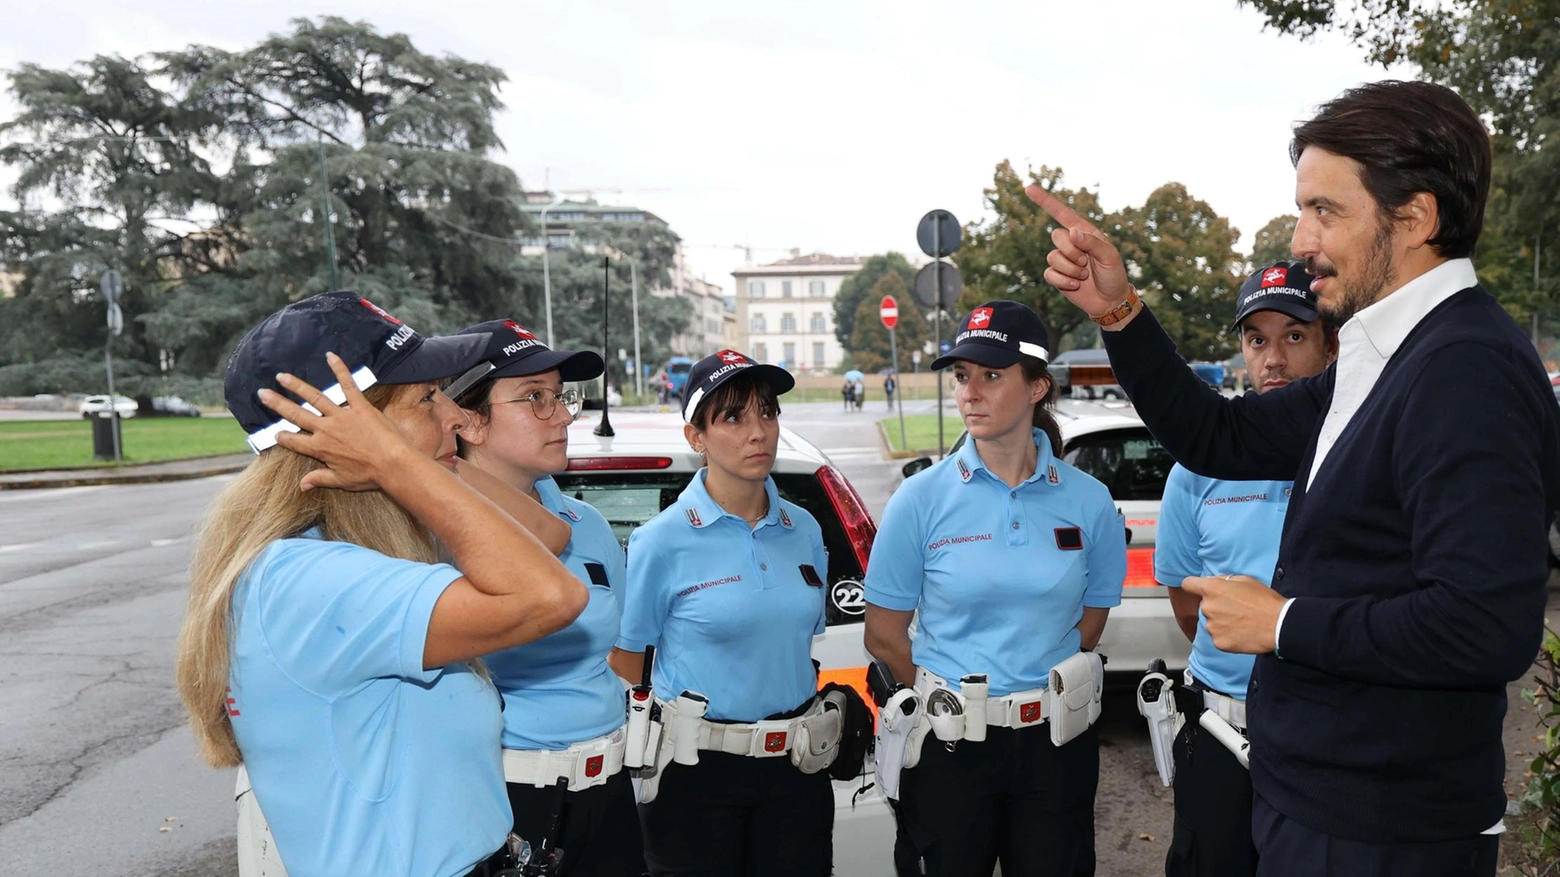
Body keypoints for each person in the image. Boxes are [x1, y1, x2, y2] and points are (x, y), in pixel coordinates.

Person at [1029, 79, 1560, 876]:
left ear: (1415, 217)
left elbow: (1486, 626)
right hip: (1321, 804)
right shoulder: (1387, 357)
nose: (1300, 238)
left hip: (1385, 828)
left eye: (1325, 210)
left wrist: (1283, 623)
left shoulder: (1464, 369)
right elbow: (1221, 433)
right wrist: (1120, 314)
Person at [175, 292, 588, 877]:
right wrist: (398, 462)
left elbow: (545, 535)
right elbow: (552, 595)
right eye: (427, 397)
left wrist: (420, 455)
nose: (454, 416)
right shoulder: (308, 580)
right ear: (353, 437)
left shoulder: (344, 556)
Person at [863, 300, 1127, 877]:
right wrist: (954, 704)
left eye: (991, 375)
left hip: (1056, 746)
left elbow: (1092, 619)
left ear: (1037, 387)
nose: (970, 393)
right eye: (962, 377)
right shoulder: (920, 499)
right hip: (949, 746)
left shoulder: (1089, 501)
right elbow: (883, 637)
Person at [609, 349, 835, 877]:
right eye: (733, 417)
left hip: (797, 772)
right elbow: (627, 663)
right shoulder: (660, 542)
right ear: (696, 437)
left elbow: (795, 645)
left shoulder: (805, 528)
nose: (758, 432)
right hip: (694, 778)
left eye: (767, 412)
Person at [1155, 263, 1336, 877]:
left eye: (1293, 335)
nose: (1273, 359)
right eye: (1257, 340)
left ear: (1330, 342)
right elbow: (1188, 605)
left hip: (1328, 733)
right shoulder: (1199, 465)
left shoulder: (1360, 450)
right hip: (1220, 728)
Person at [445, 319, 645, 877]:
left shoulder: (588, 525)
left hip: (610, 793)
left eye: (560, 397)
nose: (560, 415)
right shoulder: (433, 541)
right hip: (506, 804)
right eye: (534, 398)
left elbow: (620, 654)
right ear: (469, 422)